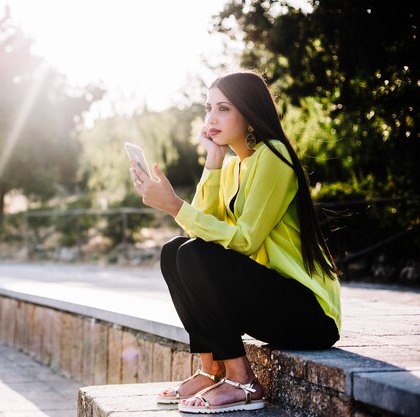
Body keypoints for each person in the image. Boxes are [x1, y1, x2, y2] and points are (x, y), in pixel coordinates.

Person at [129, 70, 341, 414]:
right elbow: (196, 232)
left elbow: (244, 240)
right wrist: (213, 160)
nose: (211, 119)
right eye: (208, 108)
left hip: (310, 314)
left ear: (250, 112)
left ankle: (243, 381)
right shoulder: (231, 167)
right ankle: (211, 369)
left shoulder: (274, 155)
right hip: (270, 303)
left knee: (193, 254)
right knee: (174, 252)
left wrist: (174, 205)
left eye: (223, 109)